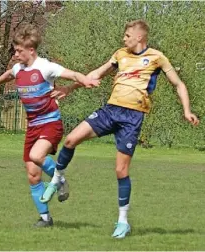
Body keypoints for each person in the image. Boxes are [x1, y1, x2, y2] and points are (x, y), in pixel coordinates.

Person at [41, 19, 200, 238]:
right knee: (70, 140)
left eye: (127, 35)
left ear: (139, 37)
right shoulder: (120, 54)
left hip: (132, 117)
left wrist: (186, 110)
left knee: (121, 170)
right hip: (110, 111)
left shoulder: (157, 57)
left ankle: (123, 222)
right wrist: (70, 87)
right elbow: (96, 74)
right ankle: (57, 178)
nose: (123, 39)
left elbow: (179, 84)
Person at [0, 23, 99, 227]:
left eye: (18, 50)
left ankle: (60, 178)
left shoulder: (45, 67)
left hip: (50, 123)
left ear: (31, 50)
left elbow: (72, 74)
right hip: (32, 127)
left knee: (36, 156)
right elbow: (8, 74)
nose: (15, 54)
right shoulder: (18, 68)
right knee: (32, 175)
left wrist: (85, 80)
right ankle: (45, 219)